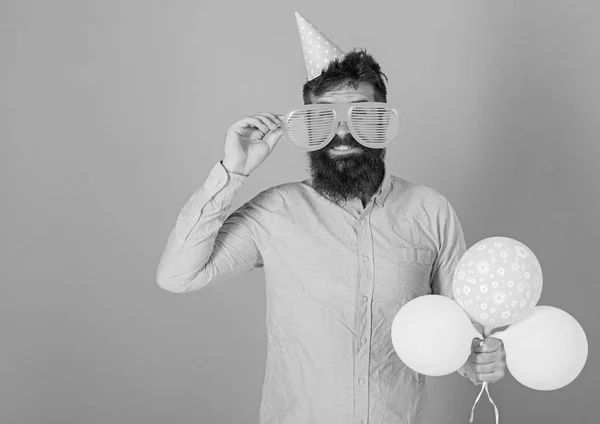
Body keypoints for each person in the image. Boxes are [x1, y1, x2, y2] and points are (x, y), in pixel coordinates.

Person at [156, 13, 506, 424]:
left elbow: (459, 340)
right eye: (323, 117)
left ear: (383, 122)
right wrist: (233, 172)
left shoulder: (430, 211)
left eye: (361, 115)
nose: (342, 133)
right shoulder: (277, 211)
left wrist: (482, 358)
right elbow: (178, 275)